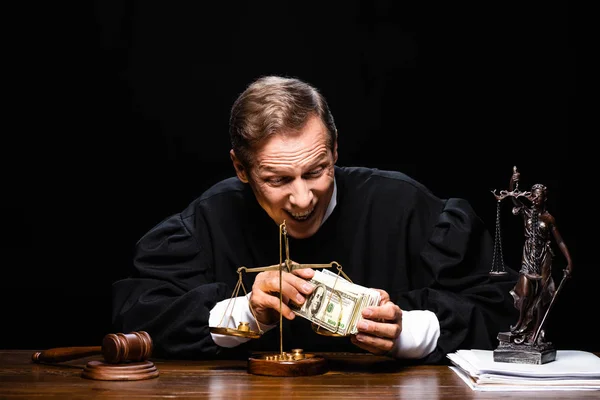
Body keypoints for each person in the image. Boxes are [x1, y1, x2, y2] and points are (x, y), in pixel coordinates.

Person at [111, 75, 518, 364]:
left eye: (316, 171)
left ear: (335, 151)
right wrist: (245, 313)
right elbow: (136, 316)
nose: (303, 200)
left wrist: (409, 332)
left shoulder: (407, 207)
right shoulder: (207, 221)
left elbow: (507, 312)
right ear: (241, 168)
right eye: (277, 179)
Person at [507, 168, 573, 345]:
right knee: (526, 293)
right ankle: (521, 324)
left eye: (539, 195)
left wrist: (569, 262)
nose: (535, 198)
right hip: (528, 255)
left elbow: (559, 241)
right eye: (533, 195)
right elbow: (513, 196)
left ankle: (536, 331)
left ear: (545, 198)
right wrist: (513, 181)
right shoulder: (526, 212)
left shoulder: (548, 218)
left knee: (543, 295)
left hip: (544, 257)